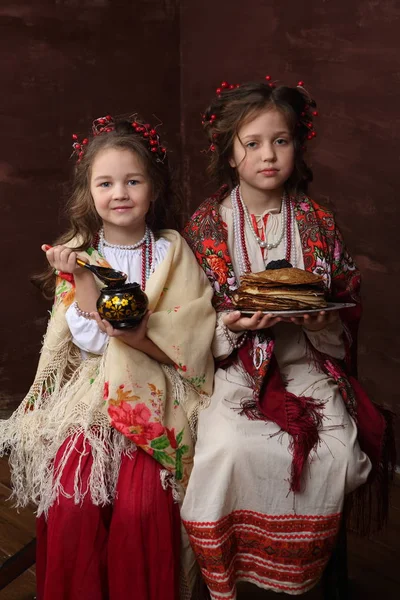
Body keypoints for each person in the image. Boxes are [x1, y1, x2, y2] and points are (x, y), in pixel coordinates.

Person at [181, 78, 395, 598]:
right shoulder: (208, 225)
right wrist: (227, 327)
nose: (268, 155)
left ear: (297, 147)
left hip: (308, 367)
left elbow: (345, 298)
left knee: (339, 454)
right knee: (228, 449)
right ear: (230, 155)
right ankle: (228, 578)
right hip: (234, 372)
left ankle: (299, 575)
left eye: (281, 141)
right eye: (252, 144)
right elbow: (185, 318)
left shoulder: (318, 222)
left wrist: (324, 325)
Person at [0, 115, 216, 600]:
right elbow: (84, 339)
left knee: (143, 508)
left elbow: (192, 329)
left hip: (157, 387)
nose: (120, 192)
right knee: (75, 499)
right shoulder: (82, 255)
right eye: (106, 182)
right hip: (92, 391)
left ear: (153, 188)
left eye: (132, 180)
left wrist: (133, 333)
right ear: (89, 193)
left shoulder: (172, 252)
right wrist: (79, 280)